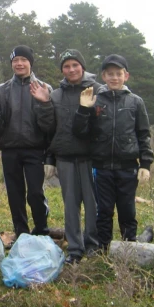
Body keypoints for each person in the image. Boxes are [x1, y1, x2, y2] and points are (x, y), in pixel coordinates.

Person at [72, 54, 153, 251]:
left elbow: (144, 134)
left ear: (126, 76)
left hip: (128, 167)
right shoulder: (96, 101)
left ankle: (129, 247)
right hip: (101, 168)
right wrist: (84, 109)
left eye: (118, 74)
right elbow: (81, 132)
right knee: (104, 210)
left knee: (127, 209)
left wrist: (145, 164)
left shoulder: (136, 102)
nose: (114, 77)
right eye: (110, 74)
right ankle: (103, 248)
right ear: (103, 76)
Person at [40, 50, 100, 264]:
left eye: (75, 65)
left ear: (82, 67)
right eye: (67, 66)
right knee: (71, 206)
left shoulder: (97, 91)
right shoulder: (56, 95)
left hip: (91, 159)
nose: (71, 69)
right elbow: (50, 131)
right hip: (65, 158)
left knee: (93, 205)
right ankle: (75, 249)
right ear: (62, 70)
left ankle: (93, 245)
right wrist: (49, 159)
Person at [0, 45, 54, 238]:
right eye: (15, 61)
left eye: (23, 60)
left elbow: (49, 125)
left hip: (35, 149)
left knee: (35, 193)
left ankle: (42, 229)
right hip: (10, 150)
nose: (19, 64)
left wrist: (44, 103)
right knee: (14, 194)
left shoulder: (44, 88)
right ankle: (21, 232)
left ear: (30, 63)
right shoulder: (1, 90)